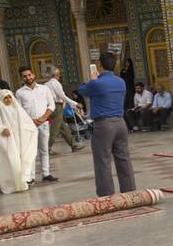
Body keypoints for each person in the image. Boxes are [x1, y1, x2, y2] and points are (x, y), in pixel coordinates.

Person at [77, 54, 137, 197]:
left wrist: (92, 79)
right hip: (121, 123)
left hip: (104, 125)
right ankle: (129, 191)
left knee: (102, 160)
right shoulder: (120, 81)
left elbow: (82, 90)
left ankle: (106, 194)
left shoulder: (97, 83)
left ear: (99, 65)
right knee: (123, 158)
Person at [0, 88, 38, 194]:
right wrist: (3, 129)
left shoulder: (17, 108)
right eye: (5, 98)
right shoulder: (0, 110)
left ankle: (24, 181)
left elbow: (27, 123)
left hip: (22, 139)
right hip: (9, 141)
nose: (8, 100)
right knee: (13, 162)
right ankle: (13, 184)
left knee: (25, 159)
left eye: (9, 97)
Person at [15, 67, 57, 183]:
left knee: (44, 149)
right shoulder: (19, 93)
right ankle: (30, 177)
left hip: (43, 123)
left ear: (33, 75)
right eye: (25, 76)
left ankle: (46, 173)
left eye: (29, 75)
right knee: (30, 151)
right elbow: (19, 110)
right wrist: (31, 121)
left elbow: (51, 105)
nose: (28, 78)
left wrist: (43, 118)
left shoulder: (44, 89)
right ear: (22, 78)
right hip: (29, 125)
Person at [42, 67, 82, 153]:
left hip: (49, 107)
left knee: (63, 127)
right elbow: (62, 96)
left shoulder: (45, 85)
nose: (60, 75)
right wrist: (75, 104)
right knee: (55, 129)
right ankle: (46, 148)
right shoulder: (56, 83)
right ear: (56, 74)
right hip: (57, 107)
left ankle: (73, 145)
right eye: (59, 74)